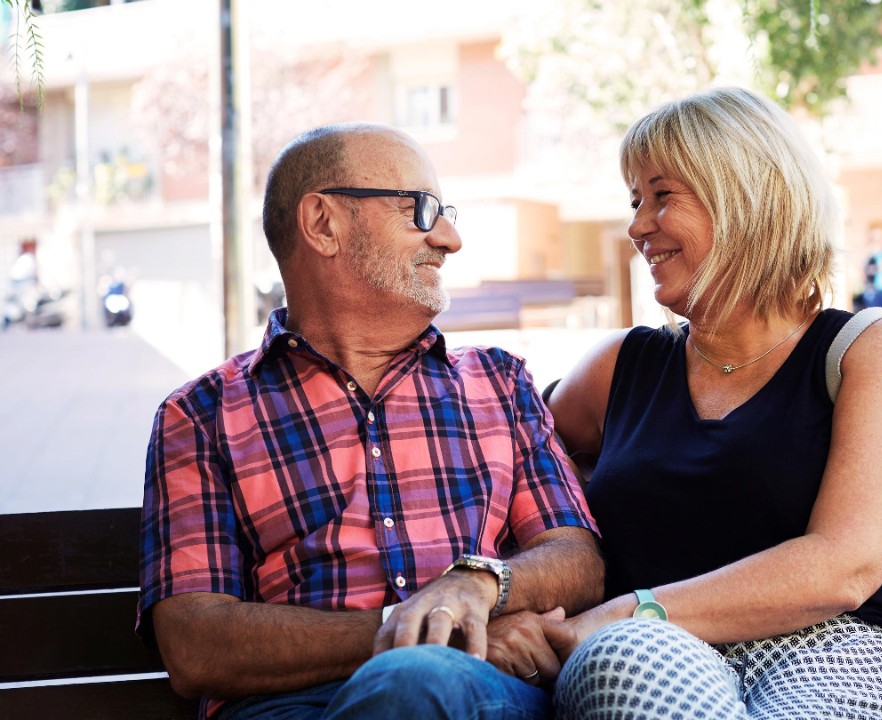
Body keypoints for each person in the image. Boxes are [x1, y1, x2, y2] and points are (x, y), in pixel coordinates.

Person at [137, 122, 603, 720]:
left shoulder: (498, 381)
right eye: (421, 209)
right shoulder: (200, 417)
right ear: (323, 223)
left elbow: (576, 558)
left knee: (417, 686)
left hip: (477, 693)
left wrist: (477, 585)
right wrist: (428, 629)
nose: (450, 239)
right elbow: (194, 643)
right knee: (411, 683)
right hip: (290, 709)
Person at [545, 87, 882, 719]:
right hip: (656, 657)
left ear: (745, 198)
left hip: (841, 648)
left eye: (662, 196)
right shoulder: (619, 367)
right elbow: (508, 458)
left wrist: (630, 611)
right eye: (634, 201)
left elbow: (845, 567)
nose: (637, 226)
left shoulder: (866, 350)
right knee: (615, 662)